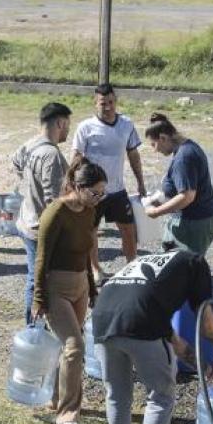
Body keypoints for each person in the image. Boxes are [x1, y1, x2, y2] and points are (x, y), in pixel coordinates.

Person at [90, 249, 213, 424]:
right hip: (140, 318)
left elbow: (174, 342)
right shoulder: (195, 261)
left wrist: (205, 367)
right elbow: (208, 322)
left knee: (117, 393)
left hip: (102, 318)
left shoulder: (149, 265)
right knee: (161, 396)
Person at [31, 161, 107, 424]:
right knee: (75, 347)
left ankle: (55, 398)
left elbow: (86, 252)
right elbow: (41, 259)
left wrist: (92, 288)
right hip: (57, 288)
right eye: (94, 193)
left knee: (66, 348)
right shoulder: (55, 212)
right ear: (77, 186)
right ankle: (67, 414)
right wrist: (39, 298)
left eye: (102, 194)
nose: (98, 199)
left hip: (80, 286)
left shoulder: (89, 211)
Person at [70, 84, 146, 282]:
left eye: (111, 102)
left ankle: (131, 266)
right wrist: (73, 186)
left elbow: (133, 155)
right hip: (93, 193)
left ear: (116, 101)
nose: (108, 107)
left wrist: (140, 181)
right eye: (103, 103)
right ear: (95, 103)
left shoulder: (126, 125)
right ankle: (96, 270)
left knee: (128, 230)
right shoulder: (85, 127)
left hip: (118, 190)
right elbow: (76, 158)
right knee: (91, 232)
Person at [13, 102, 72, 326]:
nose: (68, 130)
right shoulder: (51, 155)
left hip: (26, 220)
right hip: (40, 229)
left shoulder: (30, 144)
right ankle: (34, 329)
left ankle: (35, 327)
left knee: (34, 277)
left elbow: (15, 162)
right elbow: (53, 201)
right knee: (39, 281)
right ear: (60, 123)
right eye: (68, 124)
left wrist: (29, 187)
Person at [143, 113, 213, 256]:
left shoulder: (183, 158)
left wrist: (156, 212)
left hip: (195, 222)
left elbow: (187, 196)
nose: (155, 150)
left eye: (154, 144)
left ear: (163, 138)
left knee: (182, 264)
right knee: (177, 261)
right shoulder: (187, 147)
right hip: (197, 219)